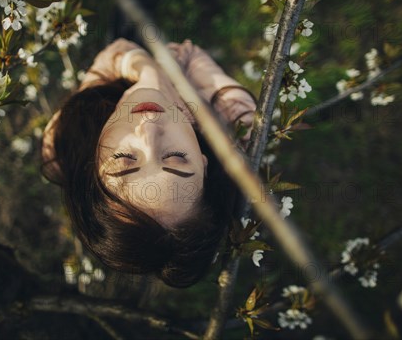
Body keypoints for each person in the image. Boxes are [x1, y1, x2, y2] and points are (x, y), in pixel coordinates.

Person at [42, 38, 256, 287]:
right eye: (176, 157)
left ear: (94, 166)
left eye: (124, 159)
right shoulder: (232, 121)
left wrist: (146, 69)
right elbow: (186, 52)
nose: (149, 127)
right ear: (204, 163)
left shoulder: (62, 140)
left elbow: (116, 50)